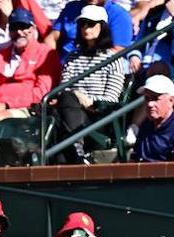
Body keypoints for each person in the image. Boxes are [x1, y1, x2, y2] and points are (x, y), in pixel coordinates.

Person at [53, 6, 126, 163]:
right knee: (55, 110)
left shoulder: (113, 59)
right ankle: (73, 151)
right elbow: (64, 87)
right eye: (82, 24)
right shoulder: (72, 57)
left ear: (102, 27)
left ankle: (74, 150)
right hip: (71, 110)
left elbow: (112, 98)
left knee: (67, 102)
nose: (86, 28)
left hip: (98, 115)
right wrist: (77, 97)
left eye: (91, 24)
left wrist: (84, 99)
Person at [45, 0, 130, 57]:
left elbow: (117, 50)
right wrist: (52, 62)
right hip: (65, 65)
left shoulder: (119, 14)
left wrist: (83, 62)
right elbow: (51, 38)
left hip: (96, 67)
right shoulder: (71, 8)